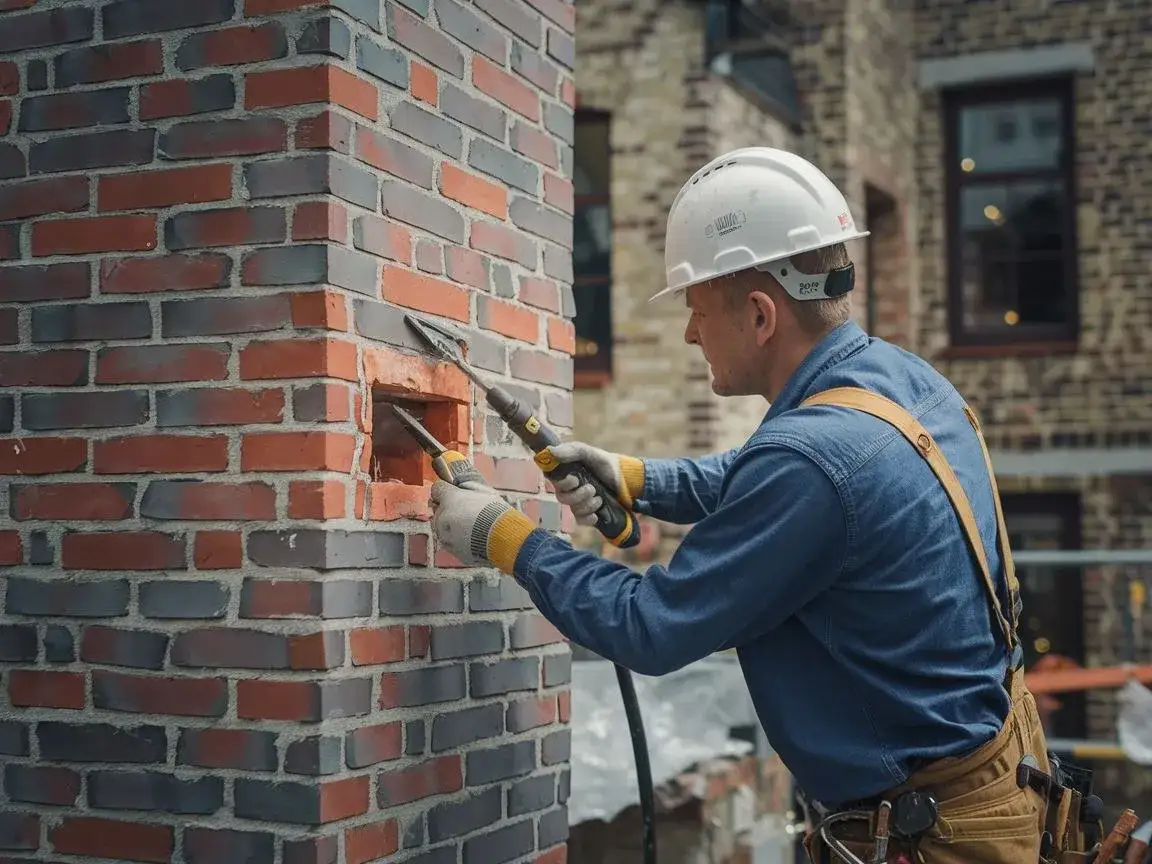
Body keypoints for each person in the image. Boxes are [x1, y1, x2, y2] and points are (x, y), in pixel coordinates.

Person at [428, 148, 1081, 863]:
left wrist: (504, 537)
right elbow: (765, 474)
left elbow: (650, 626)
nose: (689, 332)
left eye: (697, 309)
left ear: (762, 315)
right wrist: (632, 476)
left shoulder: (812, 463)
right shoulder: (902, 382)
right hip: (997, 791)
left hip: (929, 840)